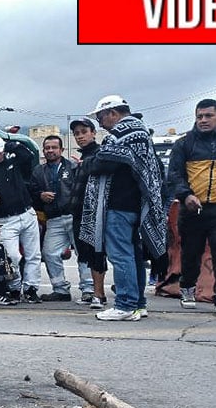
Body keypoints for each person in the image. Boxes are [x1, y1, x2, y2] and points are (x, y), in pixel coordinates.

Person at [81, 95, 167, 321]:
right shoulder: (140, 131)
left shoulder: (123, 132)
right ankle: (138, 303)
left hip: (119, 204)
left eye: (100, 117)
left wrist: (87, 163)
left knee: (121, 256)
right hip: (135, 205)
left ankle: (126, 304)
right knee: (133, 255)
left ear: (113, 113)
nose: (99, 122)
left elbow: (102, 162)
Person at [167, 99, 216, 316]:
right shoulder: (184, 143)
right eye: (199, 116)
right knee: (191, 253)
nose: (203, 120)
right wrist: (186, 196)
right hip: (192, 210)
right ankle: (188, 288)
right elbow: (173, 175)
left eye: (208, 116)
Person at [0, 135, 42, 304]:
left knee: (34, 254)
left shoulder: (13, 163)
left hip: (26, 213)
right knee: (12, 256)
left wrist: (11, 144)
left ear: (3, 151)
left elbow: (28, 156)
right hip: (4, 219)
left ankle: (31, 288)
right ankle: (14, 287)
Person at [64, 117, 109, 309]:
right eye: (76, 133)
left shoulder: (100, 154)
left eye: (84, 132)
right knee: (85, 253)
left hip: (95, 213)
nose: (80, 136)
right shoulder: (81, 159)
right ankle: (93, 292)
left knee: (96, 252)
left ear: (93, 133)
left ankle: (99, 294)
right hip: (78, 213)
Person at [29, 135, 77, 301]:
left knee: (84, 253)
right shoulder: (38, 171)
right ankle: (61, 290)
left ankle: (89, 290)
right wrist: (40, 195)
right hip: (53, 219)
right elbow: (32, 192)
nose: (50, 151)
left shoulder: (73, 167)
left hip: (74, 216)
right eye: (47, 148)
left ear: (61, 150)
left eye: (54, 147)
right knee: (49, 253)